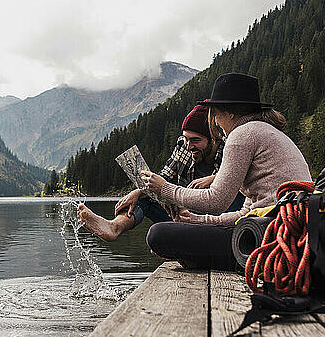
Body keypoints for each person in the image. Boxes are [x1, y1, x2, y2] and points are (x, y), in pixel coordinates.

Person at [140, 73, 312, 270]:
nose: (214, 121)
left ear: (230, 113)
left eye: (215, 114)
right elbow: (246, 212)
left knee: (158, 235)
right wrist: (198, 220)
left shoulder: (241, 135)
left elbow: (216, 201)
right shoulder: (265, 131)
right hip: (289, 235)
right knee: (174, 236)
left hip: (269, 239)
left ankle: (218, 260)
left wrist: (164, 189)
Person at [77, 105, 244, 242]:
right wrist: (139, 191)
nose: (188, 145)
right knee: (143, 198)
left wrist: (217, 178)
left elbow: (244, 178)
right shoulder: (183, 146)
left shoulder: (229, 148)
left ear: (213, 139)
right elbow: (164, 176)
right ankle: (114, 227)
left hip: (218, 219)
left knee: (234, 195)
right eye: (186, 138)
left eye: (195, 140)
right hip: (185, 215)